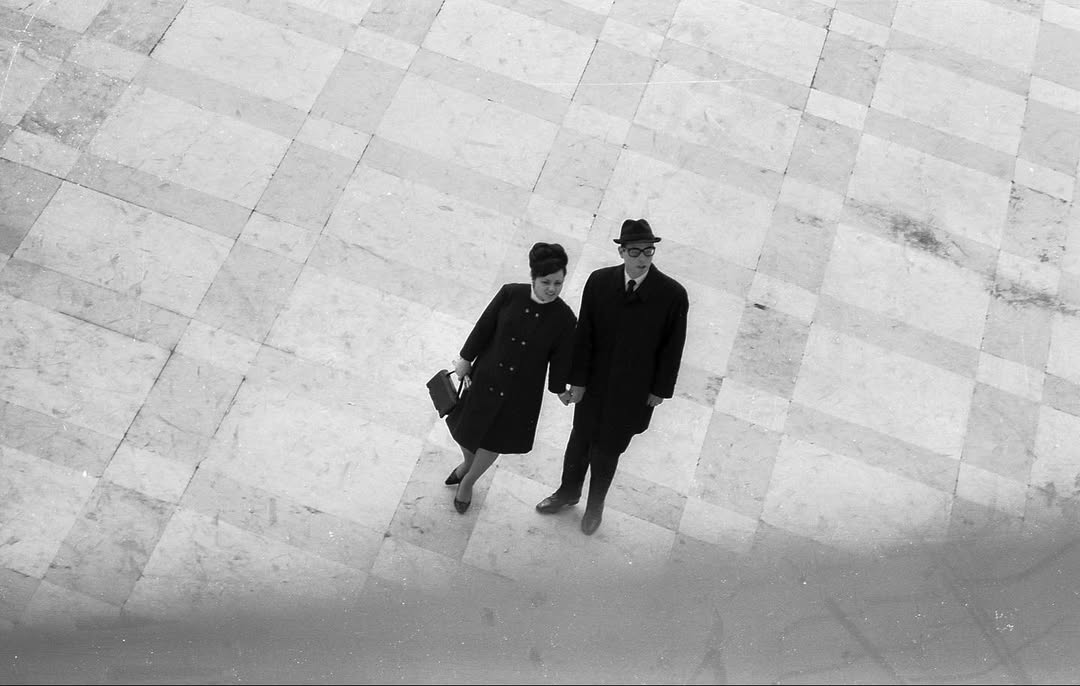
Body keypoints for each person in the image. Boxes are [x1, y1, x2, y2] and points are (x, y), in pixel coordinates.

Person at [535, 219, 688, 535]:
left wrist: (660, 389)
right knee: (579, 441)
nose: (642, 258)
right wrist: (578, 380)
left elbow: (673, 347)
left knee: (607, 451)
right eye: (635, 251)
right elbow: (584, 335)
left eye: (648, 250)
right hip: (594, 384)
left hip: (634, 390)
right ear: (621, 252)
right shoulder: (599, 281)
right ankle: (568, 492)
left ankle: (595, 507)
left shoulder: (672, 294)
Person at [444, 243, 577, 514]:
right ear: (533, 278)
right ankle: (467, 463)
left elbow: (560, 359)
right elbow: (484, 327)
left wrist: (559, 389)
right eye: (546, 282)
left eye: (558, 283)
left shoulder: (564, 318)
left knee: (494, 440)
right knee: (464, 429)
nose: (552, 289)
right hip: (486, 377)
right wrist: (466, 358)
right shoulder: (510, 294)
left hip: (520, 393)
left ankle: (468, 481)